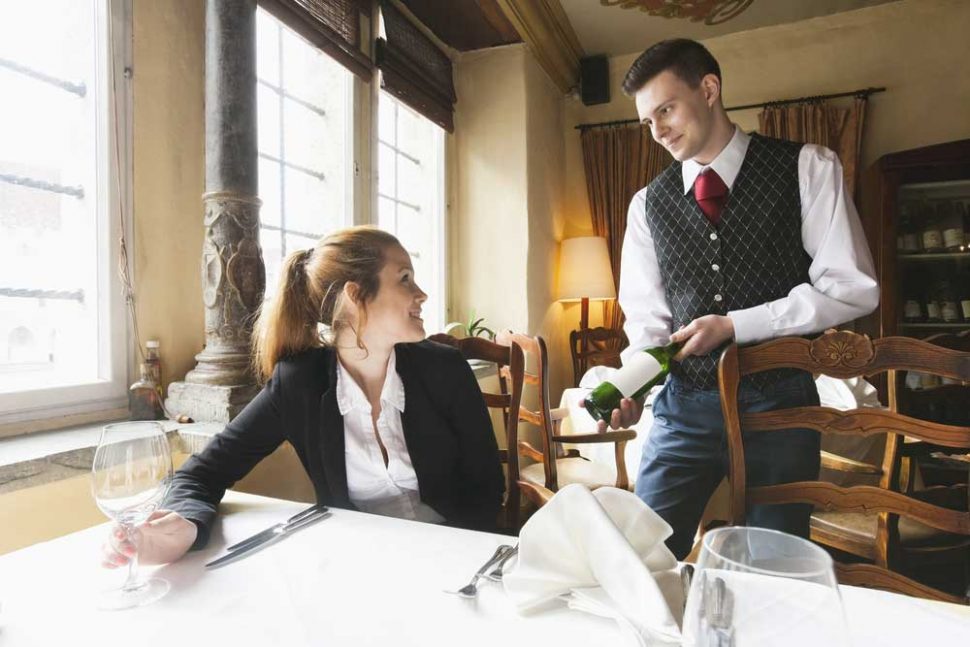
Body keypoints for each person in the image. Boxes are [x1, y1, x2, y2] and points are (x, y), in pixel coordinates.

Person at [601, 39, 878, 559]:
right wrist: (633, 384)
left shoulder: (808, 168)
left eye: (666, 109)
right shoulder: (646, 206)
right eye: (647, 121)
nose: (658, 131)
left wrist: (736, 324)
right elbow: (648, 324)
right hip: (683, 409)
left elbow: (852, 286)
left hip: (781, 403)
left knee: (775, 571)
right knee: (643, 559)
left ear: (709, 89)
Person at [101, 226, 505, 569]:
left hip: (459, 561)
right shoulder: (299, 384)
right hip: (362, 567)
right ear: (355, 295)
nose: (421, 294)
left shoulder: (445, 370)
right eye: (404, 278)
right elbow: (199, 475)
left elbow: (487, 490)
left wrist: (462, 562)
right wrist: (185, 526)